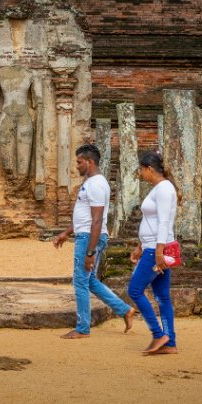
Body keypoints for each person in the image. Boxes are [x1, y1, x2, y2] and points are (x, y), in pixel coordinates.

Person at [52, 144, 135, 339]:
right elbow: (86, 218)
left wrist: (90, 252)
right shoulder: (90, 183)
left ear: (89, 162)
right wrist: (66, 233)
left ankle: (82, 328)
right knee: (90, 281)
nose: (77, 166)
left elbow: (97, 220)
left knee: (80, 282)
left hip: (90, 238)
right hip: (86, 235)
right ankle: (124, 310)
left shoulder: (96, 184)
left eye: (80, 162)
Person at [128, 151, 179, 355]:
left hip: (157, 249)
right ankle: (170, 342)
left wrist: (158, 252)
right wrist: (140, 246)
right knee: (162, 296)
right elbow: (152, 221)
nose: (140, 174)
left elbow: (164, 221)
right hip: (151, 247)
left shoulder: (164, 188)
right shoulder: (158, 189)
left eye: (141, 170)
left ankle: (159, 335)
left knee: (134, 290)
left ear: (149, 169)